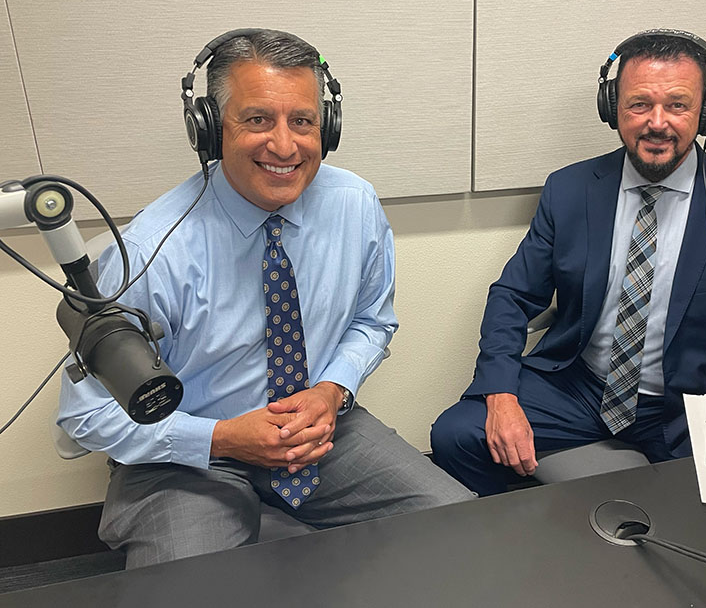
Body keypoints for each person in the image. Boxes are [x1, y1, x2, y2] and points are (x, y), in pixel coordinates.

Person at [58, 28, 472, 568]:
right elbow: (83, 415)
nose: (284, 145)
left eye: (302, 121)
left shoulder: (355, 205)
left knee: (463, 528)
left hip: (318, 429)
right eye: (257, 120)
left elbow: (372, 320)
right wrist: (225, 437)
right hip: (187, 453)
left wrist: (331, 390)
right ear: (208, 129)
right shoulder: (149, 250)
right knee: (190, 589)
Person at [430, 29, 706, 496]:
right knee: (456, 436)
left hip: (689, 407)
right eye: (639, 104)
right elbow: (513, 296)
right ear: (612, 108)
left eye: (678, 105)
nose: (657, 122)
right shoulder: (571, 189)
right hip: (578, 388)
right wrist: (500, 395)